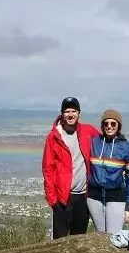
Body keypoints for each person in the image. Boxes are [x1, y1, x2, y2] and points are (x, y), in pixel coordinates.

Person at [42, 97, 100, 239]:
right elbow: (47, 169)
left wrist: (119, 139)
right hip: (62, 198)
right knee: (59, 240)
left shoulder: (88, 131)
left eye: (74, 111)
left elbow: (106, 142)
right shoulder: (54, 137)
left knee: (79, 238)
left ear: (79, 113)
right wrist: (53, 201)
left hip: (84, 196)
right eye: (67, 111)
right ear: (62, 114)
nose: (70, 114)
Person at [86, 109, 129, 234]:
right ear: (102, 126)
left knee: (113, 236)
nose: (109, 127)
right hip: (94, 196)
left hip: (116, 196)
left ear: (118, 126)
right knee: (100, 235)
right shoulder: (94, 143)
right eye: (106, 124)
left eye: (113, 124)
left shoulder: (127, 148)